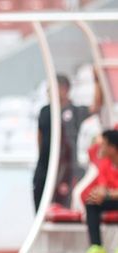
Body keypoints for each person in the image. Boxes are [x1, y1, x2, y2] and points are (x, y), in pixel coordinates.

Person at [35, 74, 90, 212]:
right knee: (40, 203)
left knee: (64, 203)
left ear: (65, 89)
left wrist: (97, 78)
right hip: (45, 166)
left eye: (52, 88)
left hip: (67, 168)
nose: (49, 92)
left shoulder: (75, 111)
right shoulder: (45, 111)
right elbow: (40, 137)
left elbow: (95, 107)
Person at [78, 130, 118, 253]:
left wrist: (106, 193)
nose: (101, 148)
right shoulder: (105, 163)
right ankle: (96, 247)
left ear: (112, 148)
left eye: (104, 145)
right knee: (92, 201)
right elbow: (102, 185)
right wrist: (99, 193)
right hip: (114, 198)